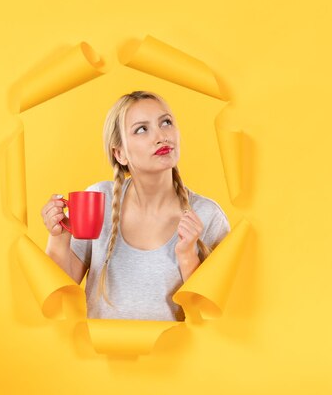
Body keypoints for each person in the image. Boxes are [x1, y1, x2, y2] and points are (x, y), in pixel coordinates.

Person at [40, 90, 230, 321]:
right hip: (101, 354)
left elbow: (216, 319)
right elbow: (61, 290)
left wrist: (188, 256)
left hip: (174, 356)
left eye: (166, 122)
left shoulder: (208, 216)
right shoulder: (99, 200)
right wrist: (59, 235)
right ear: (119, 153)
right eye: (142, 129)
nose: (162, 136)